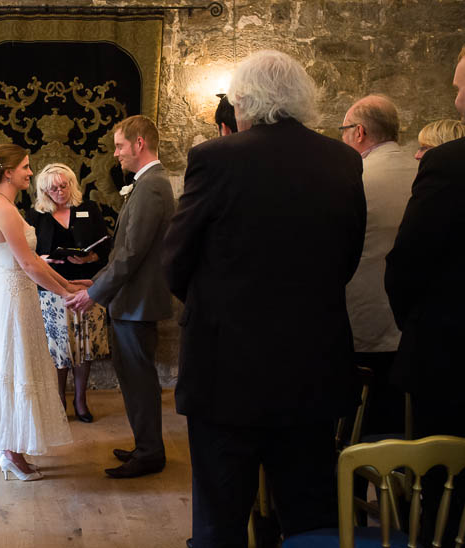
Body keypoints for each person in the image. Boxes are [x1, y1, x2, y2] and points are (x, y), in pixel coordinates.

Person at [163, 50, 366, 547]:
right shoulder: (342, 158)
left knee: (220, 517)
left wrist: (220, 306)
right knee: (309, 513)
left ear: (242, 102)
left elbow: (176, 261)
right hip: (313, 364)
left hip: (226, 369)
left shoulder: (214, 158)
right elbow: (347, 257)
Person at [385, 41, 465, 547]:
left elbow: (406, 265)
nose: (458, 101)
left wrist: (416, 325)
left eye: (462, 90)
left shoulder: (452, 165)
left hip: (453, 357)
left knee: (445, 490)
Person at [0, 144, 76, 481]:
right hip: (11, 295)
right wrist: (65, 291)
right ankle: (8, 452)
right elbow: (26, 263)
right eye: (24, 166)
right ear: (7, 172)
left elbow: (35, 262)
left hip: (19, 294)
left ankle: (13, 449)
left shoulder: (7, 205)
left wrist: (68, 284)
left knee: (19, 364)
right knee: (13, 366)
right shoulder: (2, 208)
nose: (29, 172)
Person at [66, 115, 175, 479]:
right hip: (130, 300)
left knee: (139, 379)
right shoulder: (146, 185)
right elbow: (122, 252)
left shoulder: (152, 186)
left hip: (137, 302)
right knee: (133, 378)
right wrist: (92, 280)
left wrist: (94, 294)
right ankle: (145, 445)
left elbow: (131, 254)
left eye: (120, 146)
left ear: (140, 143)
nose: (116, 154)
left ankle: (150, 453)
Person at [340, 94, 416, 436]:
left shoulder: (355, 177)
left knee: (357, 427)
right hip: (408, 322)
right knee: (398, 424)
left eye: (343, 130)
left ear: (358, 132)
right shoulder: (421, 171)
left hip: (362, 321)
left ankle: (351, 484)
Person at [26, 163, 111, 422]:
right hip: (52, 291)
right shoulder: (35, 215)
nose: (60, 191)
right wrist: (42, 259)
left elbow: (107, 248)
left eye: (64, 186)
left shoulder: (89, 209)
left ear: (72, 185)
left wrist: (91, 257)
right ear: (44, 190)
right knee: (59, 350)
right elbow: (26, 253)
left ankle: (81, 401)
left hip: (86, 288)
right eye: (54, 188)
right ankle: (59, 401)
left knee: (84, 349)